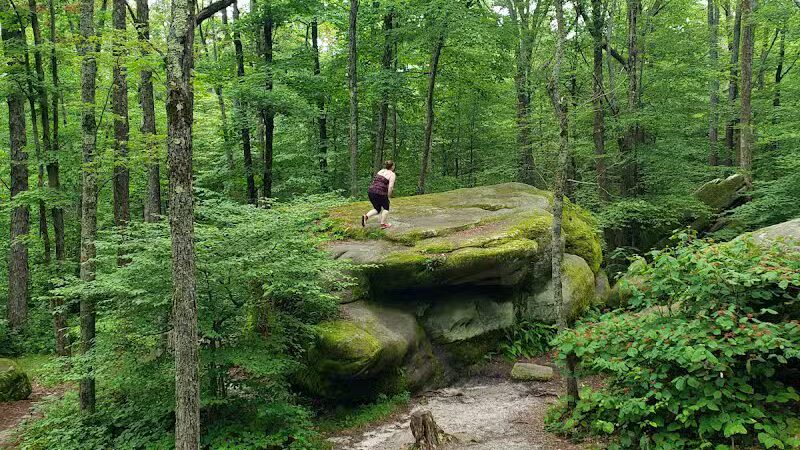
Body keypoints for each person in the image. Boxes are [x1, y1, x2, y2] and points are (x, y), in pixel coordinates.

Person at [362, 160, 396, 229]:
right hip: (380, 192)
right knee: (386, 208)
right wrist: (388, 196)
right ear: (392, 167)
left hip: (371, 191)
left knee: (377, 209)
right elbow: (390, 187)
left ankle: (366, 217)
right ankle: (383, 224)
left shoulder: (381, 171)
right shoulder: (392, 174)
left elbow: (375, 181)